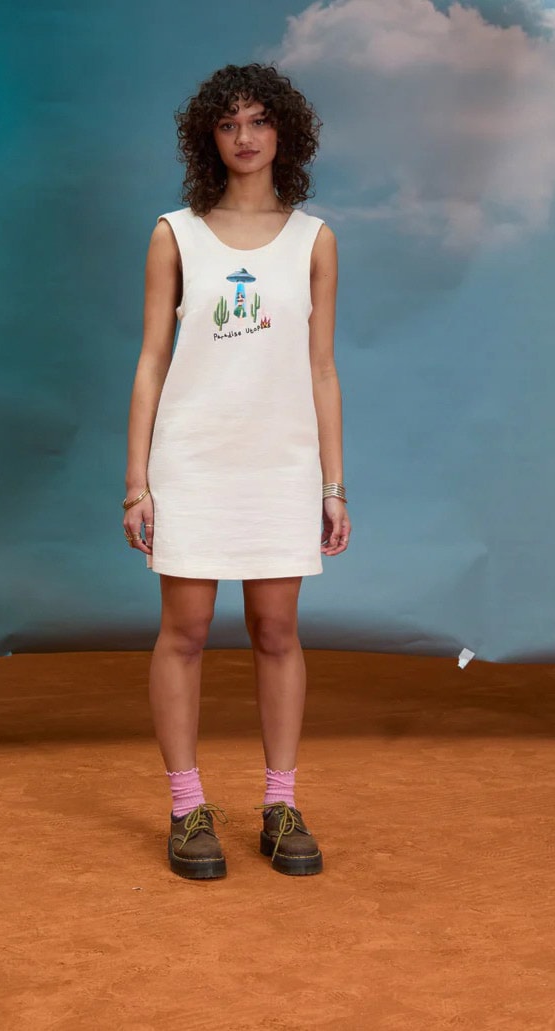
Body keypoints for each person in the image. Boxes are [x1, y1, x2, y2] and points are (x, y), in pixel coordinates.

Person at [122, 63, 350, 879]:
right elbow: (152, 361)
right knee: (184, 632)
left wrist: (331, 484)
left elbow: (320, 368)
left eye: (258, 120)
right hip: (192, 460)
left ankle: (280, 804)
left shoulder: (313, 240)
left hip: (280, 463)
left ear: (283, 131)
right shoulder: (174, 234)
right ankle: (186, 809)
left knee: (276, 632)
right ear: (207, 139)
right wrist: (138, 481)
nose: (244, 137)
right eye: (228, 124)